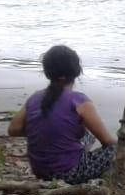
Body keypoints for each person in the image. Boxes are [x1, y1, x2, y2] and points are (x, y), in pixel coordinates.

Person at [7, 46, 116, 184]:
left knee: (87, 136)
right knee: (117, 148)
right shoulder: (79, 101)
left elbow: (13, 130)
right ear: (76, 71)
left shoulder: (35, 97)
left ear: (47, 73)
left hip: (40, 171)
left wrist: (47, 131)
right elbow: (107, 141)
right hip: (69, 173)